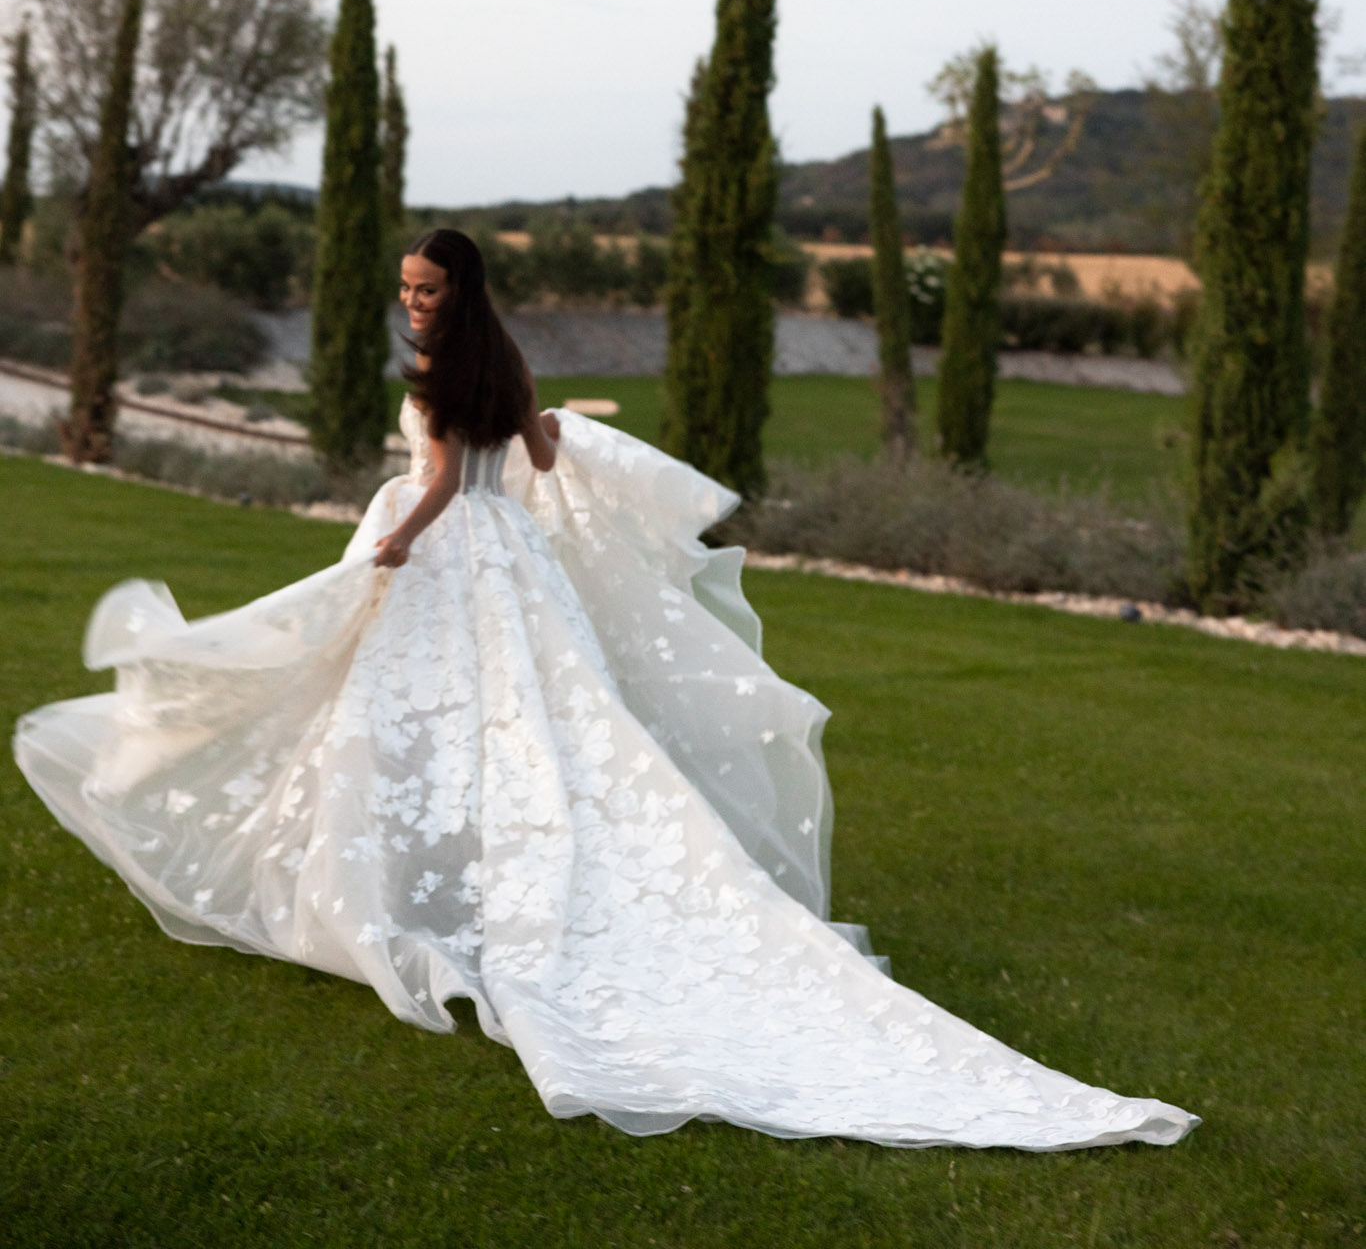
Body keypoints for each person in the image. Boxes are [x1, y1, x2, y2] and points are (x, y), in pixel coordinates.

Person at [13, 228, 1196, 1149]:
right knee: (498, 723)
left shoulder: (438, 376)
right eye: (407, 289)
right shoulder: (500, 365)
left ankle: (426, 888)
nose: (411, 302)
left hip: (446, 552)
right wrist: (516, 460)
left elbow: (435, 476)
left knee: (441, 717)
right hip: (507, 560)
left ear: (455, 294)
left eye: (425, 289)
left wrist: (396, 538)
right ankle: (448, 875)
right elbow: (534, 451)